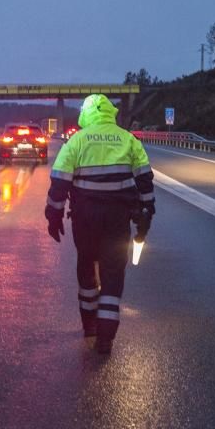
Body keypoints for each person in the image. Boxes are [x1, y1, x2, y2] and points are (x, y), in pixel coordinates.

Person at [45, 94, 155, 354]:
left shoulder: (77, 141)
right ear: (110, 112)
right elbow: (144, 181)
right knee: (113, 273)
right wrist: (146, 213)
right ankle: (105, 337)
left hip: (85, 219)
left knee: (86, 266)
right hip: (118, 219)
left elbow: (60, 181)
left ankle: (90, 325)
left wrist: (54, 215)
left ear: (87, 114)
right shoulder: (128, 139)